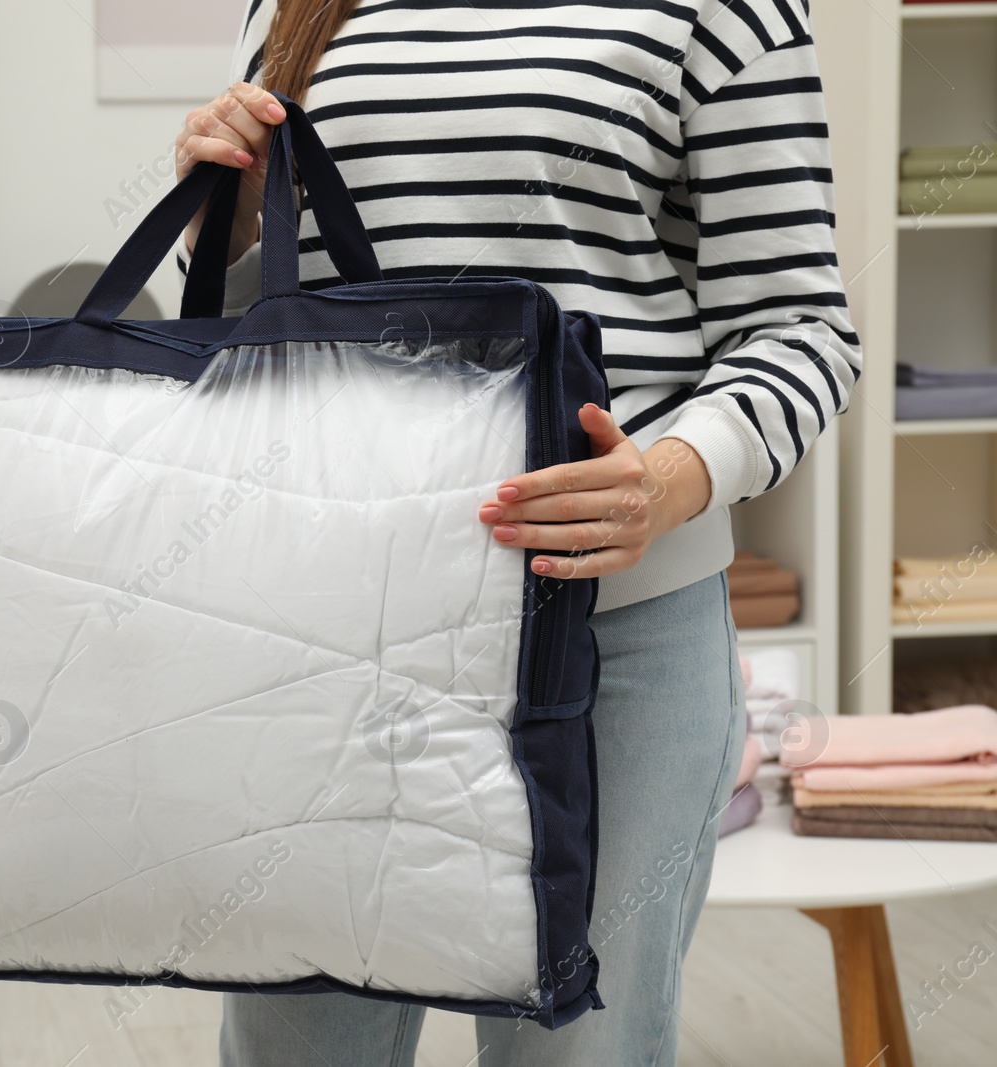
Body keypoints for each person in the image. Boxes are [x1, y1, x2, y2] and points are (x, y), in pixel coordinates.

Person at [174, 2, 860, 1065]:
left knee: (580, 1049)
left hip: (608, 634)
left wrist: (671, 479)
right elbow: (255, 323)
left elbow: (800, 327)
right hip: (327, 625)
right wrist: (221, 218)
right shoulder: (294, 7)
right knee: (293, 1042)